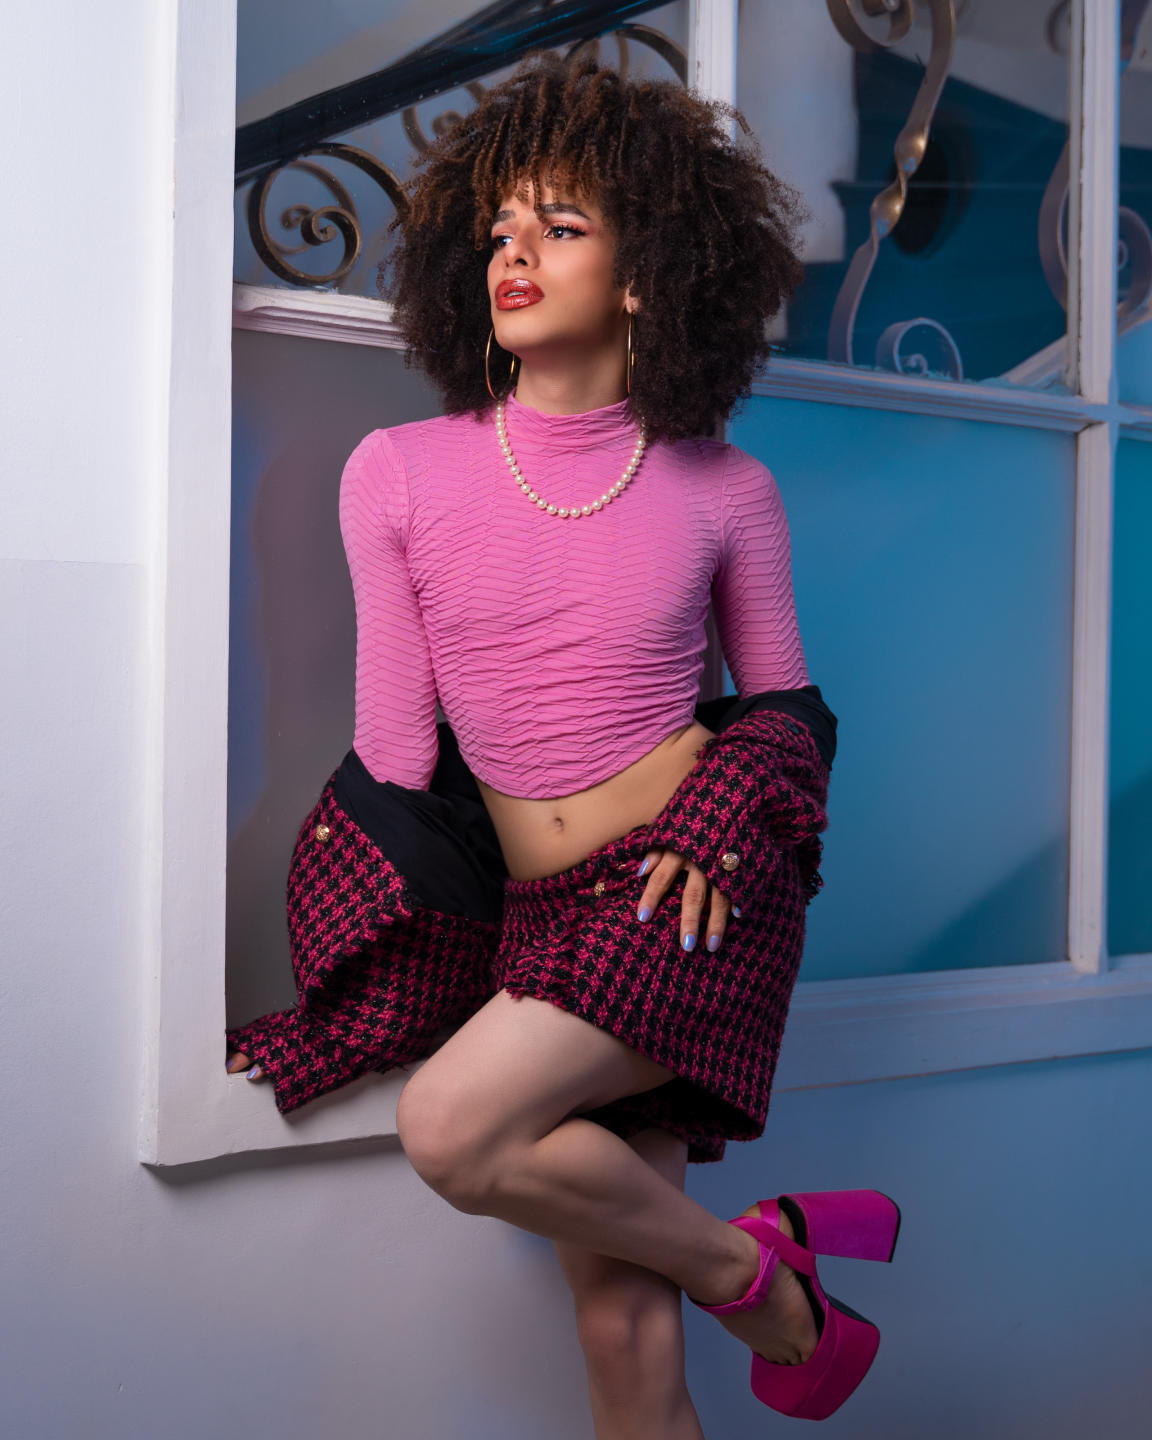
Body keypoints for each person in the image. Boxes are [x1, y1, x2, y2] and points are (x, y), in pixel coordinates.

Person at [227, 51, 898, 1435]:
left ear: (647, 274)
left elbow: (790, 715)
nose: (515, 254)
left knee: (452, 1128)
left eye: (562, 226)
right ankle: (763, 1264)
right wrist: (340, 991)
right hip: (538, 920)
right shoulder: (396, 474)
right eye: (499, 231)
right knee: (622, 1324)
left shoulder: (727, 488)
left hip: (687, 895)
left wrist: (717, 824)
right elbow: (397, 759)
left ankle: (764, 1286)